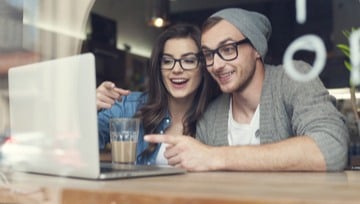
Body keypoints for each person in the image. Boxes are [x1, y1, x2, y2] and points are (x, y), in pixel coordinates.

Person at [144, 8, 350, 171]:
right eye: (208, 54)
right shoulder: (211, 116)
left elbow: (331, 148)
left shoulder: (292, 78)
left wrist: (215, 156)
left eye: (227, 49)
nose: (216, 64)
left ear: (256, 49)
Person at [96, 23, 219, 165]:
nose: (177, 69)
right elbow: (77, 145)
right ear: (159, 68)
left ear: (203, 67)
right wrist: (87, 108)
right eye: (167, 61)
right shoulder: (129, 107)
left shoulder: (218, 116)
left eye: (188, 60)